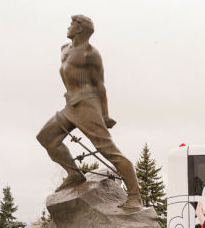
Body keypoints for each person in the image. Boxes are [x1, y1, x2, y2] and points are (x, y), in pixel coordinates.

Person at [36, 15, 142, 210]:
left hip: (87, 105)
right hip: (71, 105)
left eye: (71, 25)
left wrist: (105, 115)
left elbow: (100, 85)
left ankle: (135, 196)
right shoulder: (64, 50)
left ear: (80, 29)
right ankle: (74, 174)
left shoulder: (91, 54)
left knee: (109, 151)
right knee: (46, 137)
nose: (67, 28)